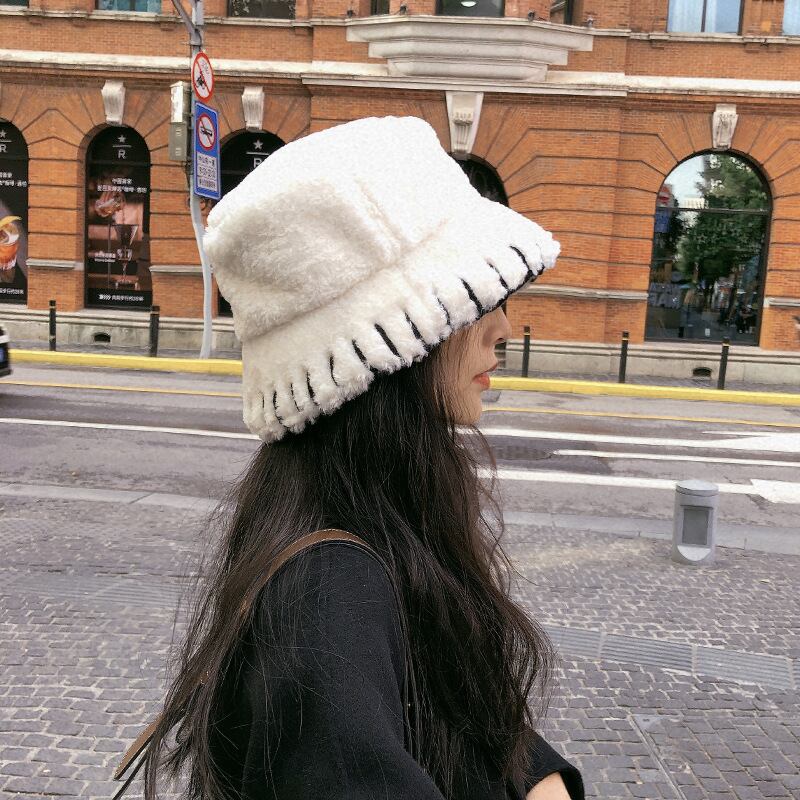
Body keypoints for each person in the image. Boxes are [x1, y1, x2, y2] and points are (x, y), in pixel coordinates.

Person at [137, 116, 584, 800]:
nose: (502, 324)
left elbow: (449, 707)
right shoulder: (329, 590)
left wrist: (534, 770)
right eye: (476, 297)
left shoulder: (376, 521)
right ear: (389, 347)